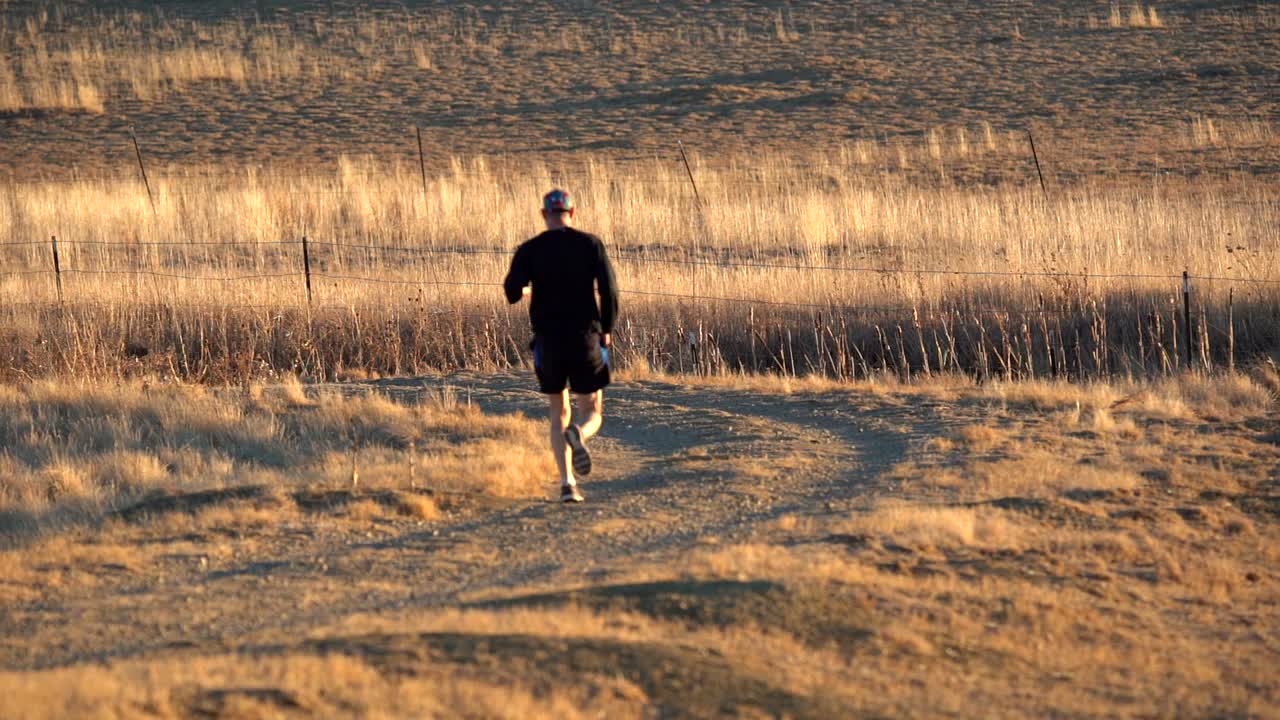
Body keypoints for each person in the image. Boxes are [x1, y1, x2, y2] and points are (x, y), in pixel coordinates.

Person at [504, 189, 619, 503]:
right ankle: (579, 434)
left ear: (544, 214)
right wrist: (607, 329)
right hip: (585, 338)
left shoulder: (530, 249)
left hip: (548, 341)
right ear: (573, 213)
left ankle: (568, 484)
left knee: (559, 411)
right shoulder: (590, 244)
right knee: (592, 409)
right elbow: (609, 292)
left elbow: (512, 290)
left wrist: (529, 290)